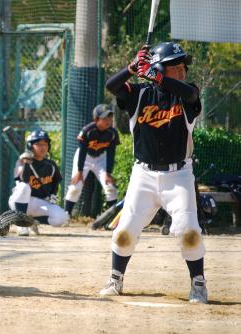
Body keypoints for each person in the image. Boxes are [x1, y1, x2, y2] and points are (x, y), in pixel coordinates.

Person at [101, 42, 207, 303]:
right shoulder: (138, 94)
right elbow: (112, 86)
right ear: (159, 67)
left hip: (179, 175)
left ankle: (198, 283)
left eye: (183, 67)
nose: (182, 72)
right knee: (124, 232)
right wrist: (132, 68)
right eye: (176, 68)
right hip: (144, 175)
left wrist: (160, 76)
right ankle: (116, 279)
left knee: (188, 231)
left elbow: (192, 96)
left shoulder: (187, 94)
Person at [64, 104, 120, 217]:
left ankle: (113, 219)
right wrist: (79, 171)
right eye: (104, 118)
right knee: (76, 186)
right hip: (84, 158)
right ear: (96, 119)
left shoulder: (112, 133)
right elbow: (83, 151)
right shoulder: (88, 131)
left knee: (110, 187)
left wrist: (108, 173)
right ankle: (65, 215)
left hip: (101, 158)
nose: (108, 121)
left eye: (110, 117)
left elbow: (111, 154)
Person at [8, 129, 67, 236]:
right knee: (24, 186)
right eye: (38, 144)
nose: (43, 147)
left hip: (40, 202)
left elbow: (56, 182)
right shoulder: (21, 162)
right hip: (20, 201)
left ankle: (32, 221)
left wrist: (53, 194)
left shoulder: (51, 165)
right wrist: (26, 163)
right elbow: (23, 180)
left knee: (61, 218)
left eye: (45, 144)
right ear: (30, 146)